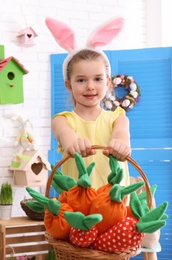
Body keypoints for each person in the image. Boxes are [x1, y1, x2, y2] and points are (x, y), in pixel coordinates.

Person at [46, 17, 131, 189]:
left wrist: (120, 145)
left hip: (114, 204)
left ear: (108, 83)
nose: (90, 86)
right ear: (69, 85)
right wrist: (73, 143)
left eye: (98, 79)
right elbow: (65, 135)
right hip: (77, 207)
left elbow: (121, 135)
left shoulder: (118, 118)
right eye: (81, 80)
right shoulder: (62, 120)